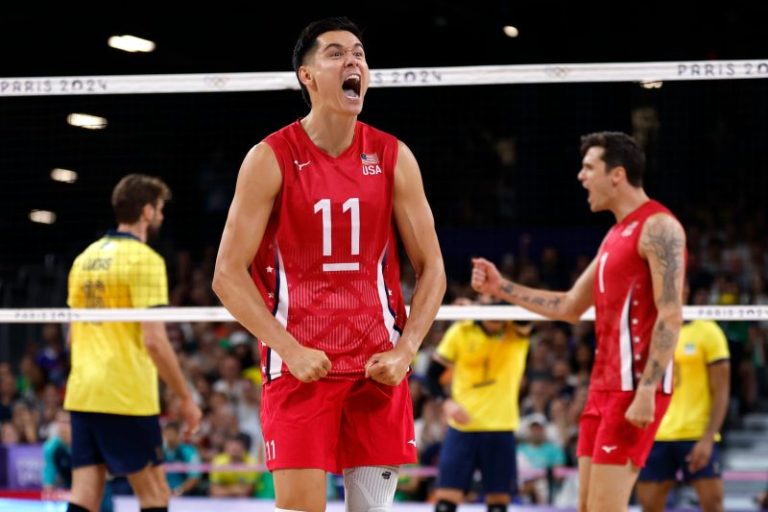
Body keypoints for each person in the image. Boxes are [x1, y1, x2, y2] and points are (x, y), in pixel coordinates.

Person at [212, 16, 446, 512]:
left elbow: (434, 269)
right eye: (336, 53)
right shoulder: (270, 157)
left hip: (377, 368)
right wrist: (289, 349)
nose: (353, 60)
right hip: (301, 367)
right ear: (307, 75)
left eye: (359, 53)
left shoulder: (393, 156)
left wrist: (406, 350)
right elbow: (226, 276)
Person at [472, 131, 687, 512]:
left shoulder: (659, 227)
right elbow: (570, 305)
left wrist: (647, 391)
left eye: (589, 167)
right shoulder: (615, 235)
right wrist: (500, 287)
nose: (581, 176)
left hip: (633, 387)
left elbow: (670, 314)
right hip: (602, 387)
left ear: (617, 174)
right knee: (587, 507)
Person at [64, 174, 202, 512]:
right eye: (159, 209)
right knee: (156, 494)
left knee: (85, 495)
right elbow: (154, 340)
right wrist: (185, 398)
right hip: (124, 394)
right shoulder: (145, 260)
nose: (161, 216)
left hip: (83, 392)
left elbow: (71, 336)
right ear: (146, 211)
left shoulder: (84, 259)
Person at [427, 295, 530, 512]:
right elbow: (432, 374)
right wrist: (445, 402)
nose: (493, 301)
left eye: (497, 298)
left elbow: (523, 314)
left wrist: (479, 305)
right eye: (487, 298)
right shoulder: (461, 330)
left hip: (501, 426)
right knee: (445, 503)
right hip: (463, 427)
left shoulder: (517, 330)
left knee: (498, 505)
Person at [636, 284, 730, 512]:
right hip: (655, 435)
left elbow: (722, 390)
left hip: (695, 434)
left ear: (686, 289)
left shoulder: (708, 331)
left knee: (713, 506)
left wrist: (708, 438)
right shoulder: (648, 329)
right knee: (649, 507)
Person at [162, 420, 202, 497]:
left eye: (171, 434)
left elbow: (194, 477)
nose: (168, 438)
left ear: (178, 435)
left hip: (184, 495)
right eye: (166, 434)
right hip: (163, 493)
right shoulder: (160, 452)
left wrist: (178, 491)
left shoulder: (189, 452)